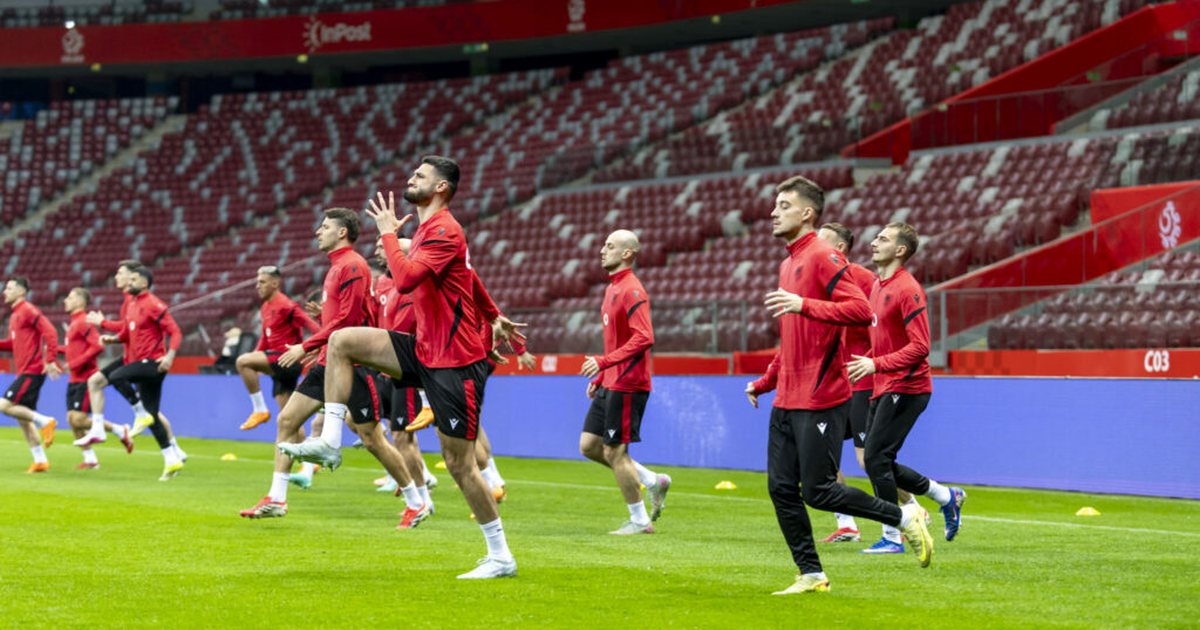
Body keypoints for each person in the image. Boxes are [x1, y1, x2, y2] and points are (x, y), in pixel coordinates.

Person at [283, 156, 522, 579]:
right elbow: (470, 277)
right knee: (342, 340)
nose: (411, 178)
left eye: (420, 176)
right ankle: (331, 441)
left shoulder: (445, 229)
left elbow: (408, 279)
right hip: (425, 348)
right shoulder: (430, 230)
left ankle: (501, 555)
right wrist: (493, 313)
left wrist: (389, 234)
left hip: (455, 362)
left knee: (460, 465)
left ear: (441, 187)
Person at [745, 176, 933, 595]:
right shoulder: (788, 263)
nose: (773, 212)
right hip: (787, 397)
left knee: (820, 491)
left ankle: (904, 517)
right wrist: (766, 382)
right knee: (780, 488)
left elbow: (860, 310)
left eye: (783, 205)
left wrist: (804, 304)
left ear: (807, 213)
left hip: (821, 396)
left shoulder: (822, 255)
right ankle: (811, 573)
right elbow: (792, 338)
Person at [240, 208, 427, 529]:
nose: (318, 231)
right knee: (287, 420)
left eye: (325, 226)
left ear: (342, 233)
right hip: (328, 362)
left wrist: (306, 345)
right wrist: (319, 347)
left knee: (372, 438)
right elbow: (339, 320)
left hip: (354, 365)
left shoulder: (352, 265)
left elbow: (349, 322)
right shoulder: (337, 267)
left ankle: (416, 501)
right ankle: (277, 498)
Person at [845, 223, 966, 545]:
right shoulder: (877, 287)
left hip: (908, 387)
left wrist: (876, 364)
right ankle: (945, 496)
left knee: (875, 460)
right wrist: (866, 362)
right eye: (876, 237)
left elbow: (921, 347)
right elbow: (885, 343)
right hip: (884, 384)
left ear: (900, 250)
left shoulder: (907, 289)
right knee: (877, 460)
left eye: (883, 239)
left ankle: (893, 536)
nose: (874, 242)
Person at [578, 229, 671, 535]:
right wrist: (602, 375)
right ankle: (651, 480)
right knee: (589, 446)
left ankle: (640, 521)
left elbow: (645, 337)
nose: (602, 250)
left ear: (627, 253)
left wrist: (604, 363)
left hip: (629, 384)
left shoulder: (632, 290)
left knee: (615, 452)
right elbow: (618, 340)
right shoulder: (612, 288)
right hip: (611, 381)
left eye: (610, 246)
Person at [84, 260, 185, 461]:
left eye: (121, 273)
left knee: (146, 410)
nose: (117, 277)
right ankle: (173, 451)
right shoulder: (131, 301)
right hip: (132, 357)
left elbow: (129, 327)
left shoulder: (138, 300)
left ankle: (169, 445)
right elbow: (128, 329)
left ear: (136, 277)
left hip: (140, 360)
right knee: (149, 411)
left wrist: (103, 323)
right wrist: (113, 338)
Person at [815, 222, 873, 544]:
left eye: (821, 242)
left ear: (839, 248)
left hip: (862, 381)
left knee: (868, 460)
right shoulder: (818, 280)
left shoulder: (863, 279)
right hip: (834, 383)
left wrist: (872, 362)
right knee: (824, 456)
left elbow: (882, 326)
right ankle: (847, 524)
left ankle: (911, 509)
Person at [236, 265, 319, 431]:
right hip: (278, 363)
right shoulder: (265, 306)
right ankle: (299, 446)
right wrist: (257, 356)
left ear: (274, 283)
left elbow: (314, 327)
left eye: (262, 282)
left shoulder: (286, 305)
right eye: (257, 282)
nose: (257, 286)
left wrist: (312, 346)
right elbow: (265, 338)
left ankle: (259, 409)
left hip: (287, 359)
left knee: (242, 362)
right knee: (287, 421)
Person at [62, 287, 134, 467]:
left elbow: (97, 346)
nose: (65, 300)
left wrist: (75, 363)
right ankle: (90, 459)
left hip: (86, 377)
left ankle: (120, 430)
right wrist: (55, 350)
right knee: (72, 420)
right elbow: (73, 349)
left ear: (80, 301)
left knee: (78, 419)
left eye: (70, 297)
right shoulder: (74, 323)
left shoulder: (84, 322)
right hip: (74, 378)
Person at [0, 277, 60, 472]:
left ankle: (46, 421)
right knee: (24, 420)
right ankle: (40, 460)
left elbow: (50, 331)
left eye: (9, 288)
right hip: (24, 371)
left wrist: (50, 359)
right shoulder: (15, 315)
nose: (5, 291)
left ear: (21, 291)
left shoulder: (28, 310)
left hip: (32, 370)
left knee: (4, 405)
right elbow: (12, 344)